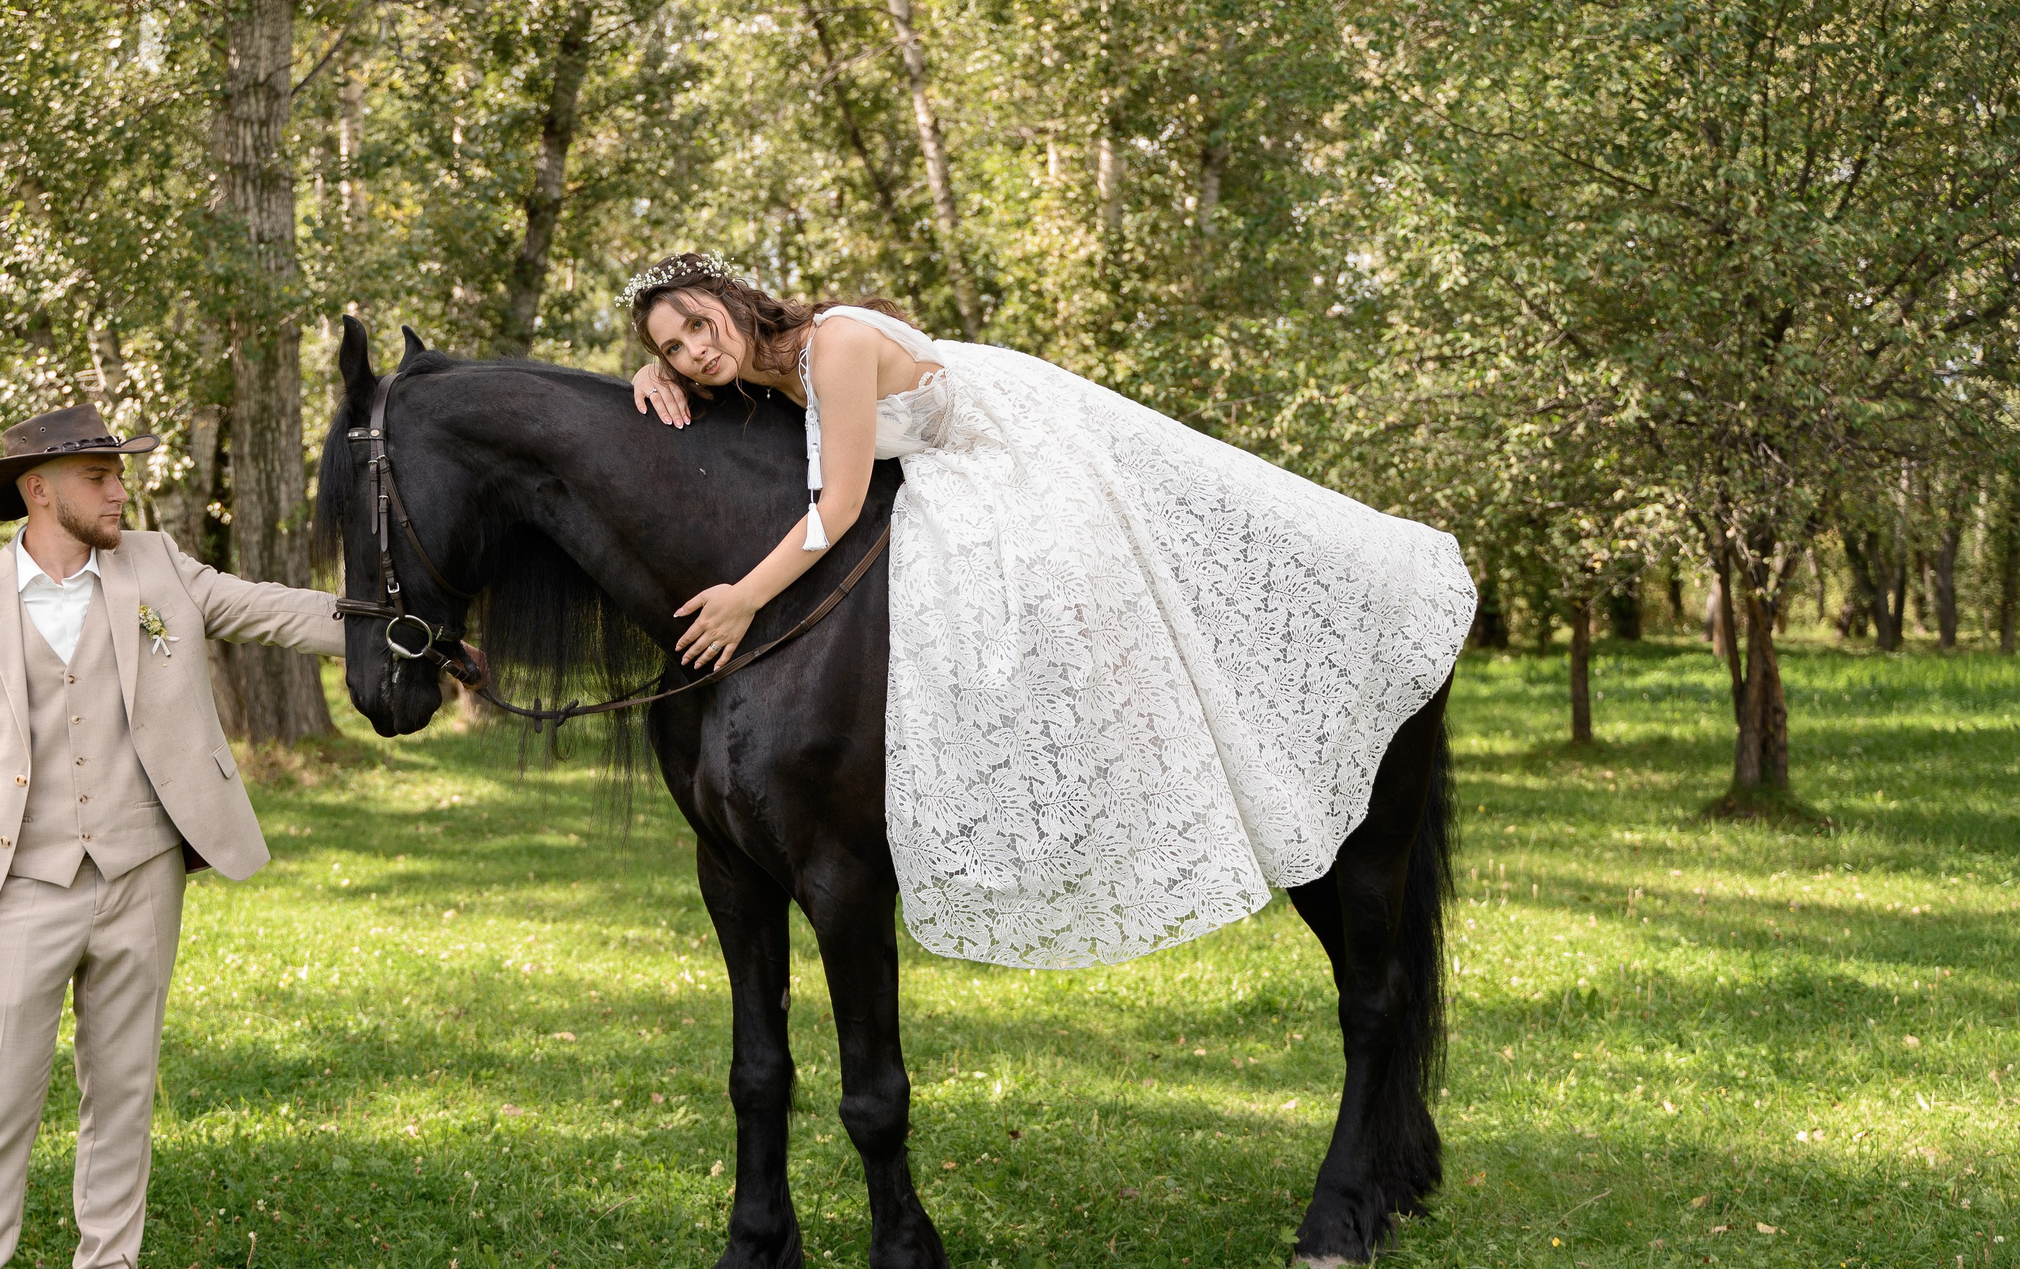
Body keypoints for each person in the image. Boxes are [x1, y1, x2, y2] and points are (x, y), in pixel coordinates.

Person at [621, 251, 1476, 970]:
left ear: (736, 301)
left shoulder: (833, 346)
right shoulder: (764, 373)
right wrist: (648, 374)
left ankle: (1137, 767)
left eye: (700, 325)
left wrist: (743, 601)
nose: (695, 350)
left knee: (1040, 598)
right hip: (952, 464)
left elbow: (837, 507)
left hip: (1016, 450)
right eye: (674, 344)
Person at [0, 403, 349, 1269]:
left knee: (122, 1091)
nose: (117, 489)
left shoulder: (157, 566)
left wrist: (402, 628)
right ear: (37, 489)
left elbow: (271, 608)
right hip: (13, 884)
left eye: (117, 471)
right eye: (98, 474)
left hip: (139, 869)